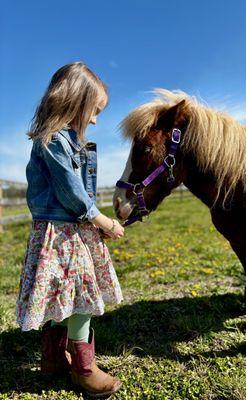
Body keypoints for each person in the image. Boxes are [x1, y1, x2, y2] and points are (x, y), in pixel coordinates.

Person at [16, 62, 124, 398]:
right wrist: (103, 221)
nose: (94, 120)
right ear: (76, 101)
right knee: (80, 300)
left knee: (63, 296)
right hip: (62, 234)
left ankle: (53, 360)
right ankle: (83, 369)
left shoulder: (67, 143)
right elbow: (71, 192)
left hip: (70, 231)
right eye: (95, 111)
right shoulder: (53, 142)